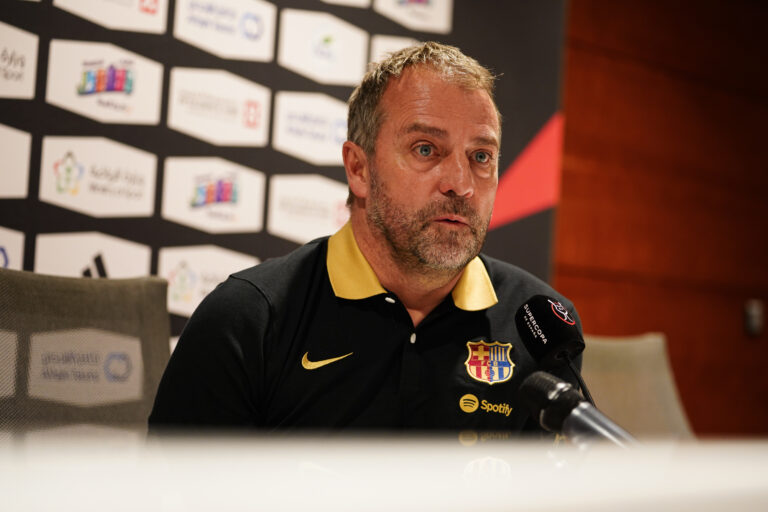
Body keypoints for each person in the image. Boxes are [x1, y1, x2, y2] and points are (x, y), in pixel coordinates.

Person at [149, 42, 581, 432]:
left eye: (481, 156)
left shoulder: (541, 326)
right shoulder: (248, 319)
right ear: (359, 169)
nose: (461, 183)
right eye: (426, 149)